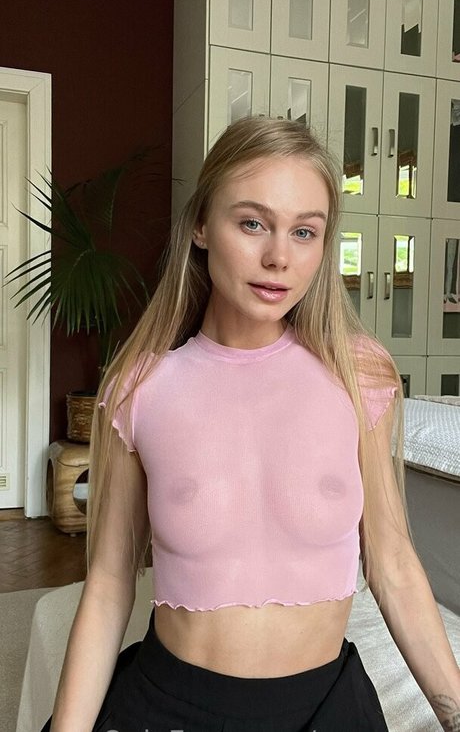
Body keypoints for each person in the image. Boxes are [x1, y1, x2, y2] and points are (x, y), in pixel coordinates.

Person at [42, 117, 460, 732]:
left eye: (304, 232)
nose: (278, 258)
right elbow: (108, 586)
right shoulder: (138, 388)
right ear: (200, 226)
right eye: (252, 223)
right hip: (171, 704)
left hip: (326, 706)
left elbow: (393, 564)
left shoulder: (361, 376)